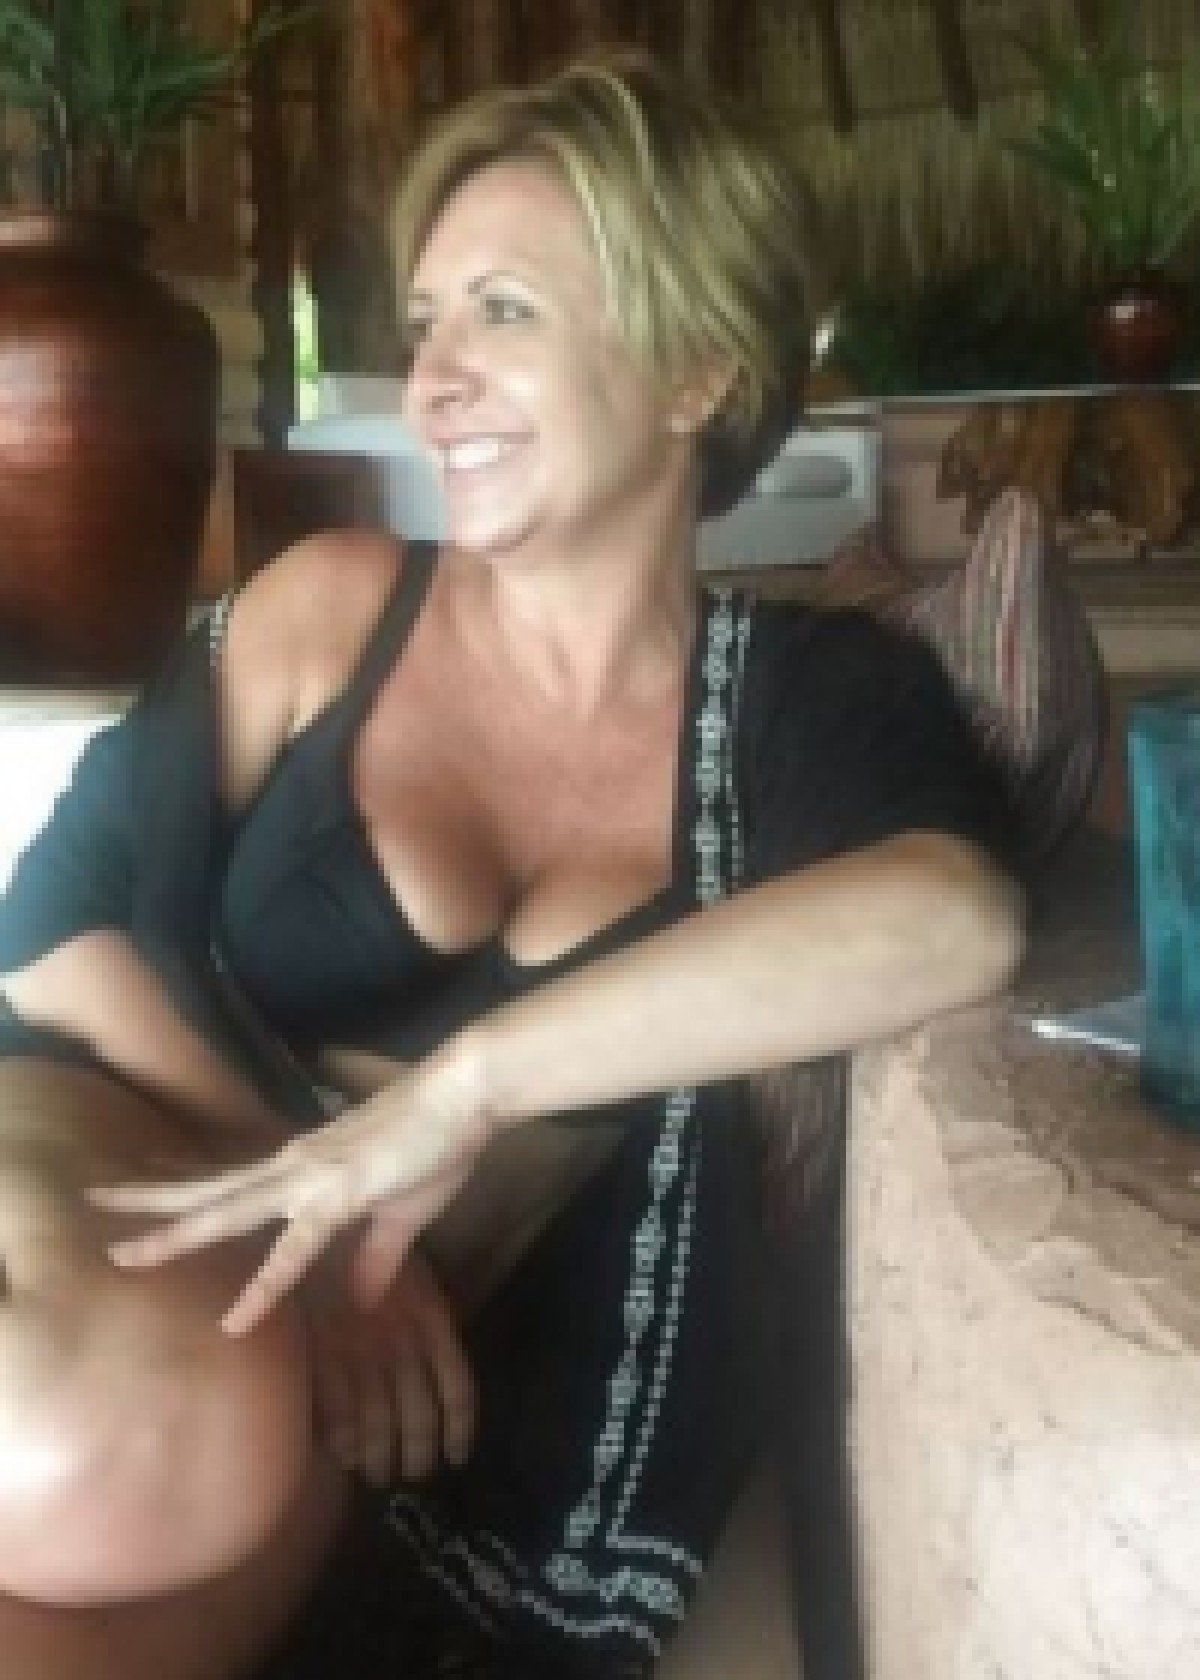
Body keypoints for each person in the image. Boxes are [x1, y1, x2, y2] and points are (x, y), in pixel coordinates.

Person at [0, 52, 1025, 1680]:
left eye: (504, 312)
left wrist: (459, 1097)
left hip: (357, 1368)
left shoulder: (807, 697)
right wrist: (329, 1202)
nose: (433, 381)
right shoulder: (334, 605)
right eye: (426, 325)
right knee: (95, 1425)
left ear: (696, 370)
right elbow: (50, 922)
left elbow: (950, 921)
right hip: (123, 1137)